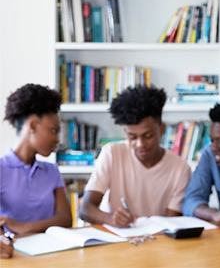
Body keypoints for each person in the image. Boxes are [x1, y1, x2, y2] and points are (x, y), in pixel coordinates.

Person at [79, 85, 191, 228]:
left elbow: (172, 224)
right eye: (132, 137)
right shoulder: (112, 153)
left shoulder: (180, 169)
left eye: (148, 136)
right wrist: (110, 218)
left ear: (162, 129)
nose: (140, 144)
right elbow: (85, 209)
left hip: (156, 242)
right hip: (116, 240)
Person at [0, 84, 72, 258]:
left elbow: (65, 218)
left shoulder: (51, 170)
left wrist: (24, 226)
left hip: (53, 252)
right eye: (53, 131)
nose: (57, 140)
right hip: (13, 255)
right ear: (32, 125)